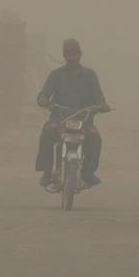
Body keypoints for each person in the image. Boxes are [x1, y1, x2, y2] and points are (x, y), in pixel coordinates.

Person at [35, 38, 110, 187]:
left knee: (95, 138)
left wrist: (102, 105)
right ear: (64, 55)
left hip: (85, 120)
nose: (72, 56)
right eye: (68, 53)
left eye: (74, 53)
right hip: (59, 118)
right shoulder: (55, 75)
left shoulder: (90, 75)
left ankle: (88, 173)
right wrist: (43, 100)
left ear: (80, 54)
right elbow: (44, 93)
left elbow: (99, 97)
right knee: (47, 133)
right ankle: (47, 172)